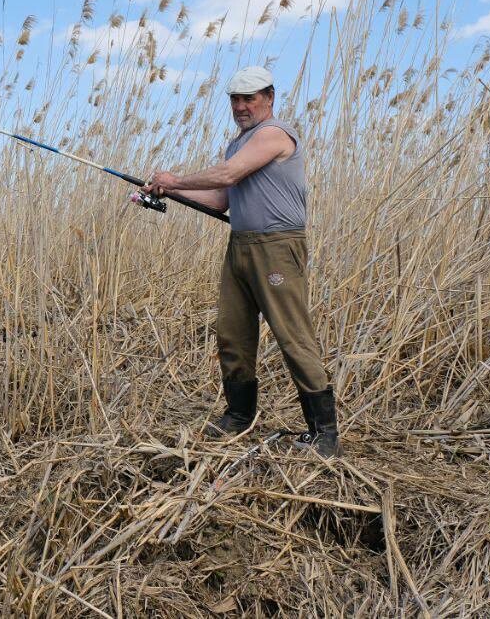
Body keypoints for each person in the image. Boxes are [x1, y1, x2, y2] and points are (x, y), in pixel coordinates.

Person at [137, 65, 341, 458]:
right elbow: (220, 199)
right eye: (235, 99)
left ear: (269, 98)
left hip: (278, 246)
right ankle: (239, 416)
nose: (241, 106)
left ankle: (324, 433)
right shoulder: (238, 145)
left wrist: (176, 178)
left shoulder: (274, 134)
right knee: (231, 333)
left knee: (292, 335)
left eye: (250, 98)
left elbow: (229, 174)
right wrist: (164, 190)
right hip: (241, 246)